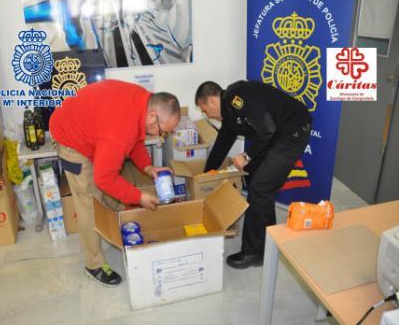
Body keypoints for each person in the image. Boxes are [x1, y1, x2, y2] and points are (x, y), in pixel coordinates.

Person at [50, 79, 180, 285]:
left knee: (107, 183)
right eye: (163, 131)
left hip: (92, 129)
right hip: (70, 138)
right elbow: (104, 178)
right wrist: (139, 196)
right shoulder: (120, 130)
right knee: (89, 202)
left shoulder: (143, 102)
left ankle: (114, 224)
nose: (162, 136)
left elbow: (136, 139)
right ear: (153, 115)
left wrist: (148, 167)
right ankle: (94, 265)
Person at [195, 80, 312, 269]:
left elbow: (268, 130)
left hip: (292, 132)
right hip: (276, 133)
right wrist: (206, 175)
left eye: (205, 110)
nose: (207, 115)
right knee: (252, 176)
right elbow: (222, 144)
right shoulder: (230, 114)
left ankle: (255, 252)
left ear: (210, 101)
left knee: (260, 188)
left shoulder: (237, 98)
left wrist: (247, 156)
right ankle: (268, 238)